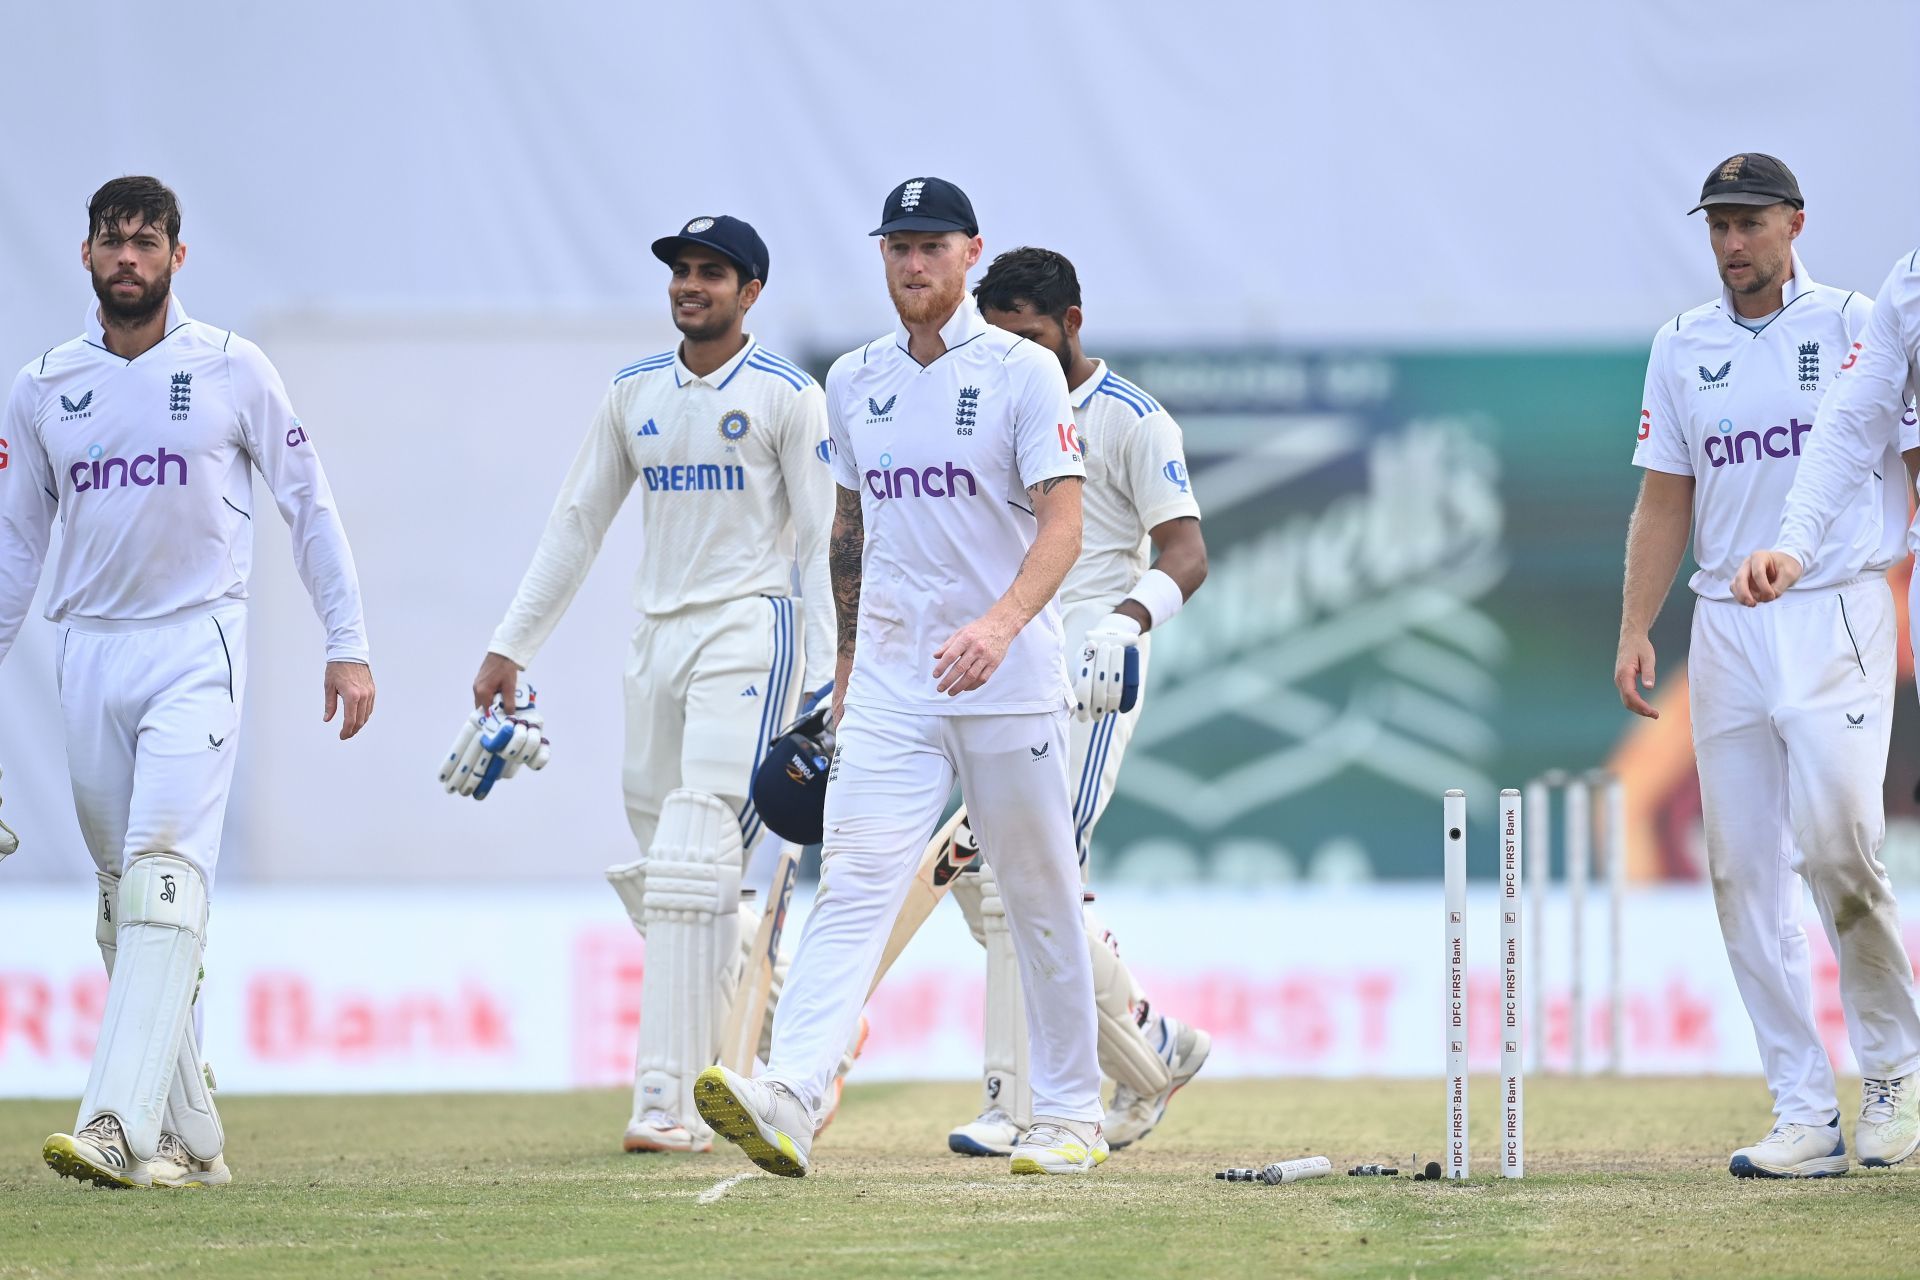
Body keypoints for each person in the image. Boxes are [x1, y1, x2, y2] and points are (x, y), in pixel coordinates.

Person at [694, 177, 1107, 1177]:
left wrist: (1002, 623)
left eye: (932, 246)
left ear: (971, 254)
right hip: (889, 682)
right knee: (855, 887)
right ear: (881, 256)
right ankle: (790, 1092)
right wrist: (843, 666)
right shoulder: (855, 377)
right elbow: (851, 528)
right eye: (897, 247)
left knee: (1039, 892)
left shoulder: (1021, 372)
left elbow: (1064, 523)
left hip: (1005, 678)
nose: (913, 263)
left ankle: (1069, 1115)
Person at [0, 176, 375, 1188]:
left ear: (177, 255)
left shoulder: (229, 368)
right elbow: (14, 545)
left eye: (148, 241)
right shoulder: (43, 384)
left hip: (195, 643)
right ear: (85, 256)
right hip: (90, 652)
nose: (130, 258)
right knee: (130, 902)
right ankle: (191, 1133)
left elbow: (309, 502)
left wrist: (349, 638)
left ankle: (116, 1123)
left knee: (165, 870)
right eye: (112, 242)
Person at [462, 214, 842, 1154]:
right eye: (681, 270)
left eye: (712, 273)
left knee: (691, 857)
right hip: (656, 638)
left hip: (752, 629)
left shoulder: (791, 397)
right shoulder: (632, 392)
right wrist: (514, 644)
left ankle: (667, 1104)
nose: (690, 285)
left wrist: (829, 681)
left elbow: (826, 543)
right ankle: (784, 1001)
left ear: (750, 292)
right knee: (669, 880)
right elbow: (576, 524)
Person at [1615, 153, 1920, 1177]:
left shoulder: (1858, 323)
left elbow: (1910, 469)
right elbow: (1666, 496)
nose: (1733, 244)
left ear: (1795, 221)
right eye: (1719, 227)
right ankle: (1803, 1108)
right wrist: (1635, 625)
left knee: (1840, 844)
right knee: (1742, 870)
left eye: (1750, 223)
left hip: (1836, 604)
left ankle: (1893, 1066)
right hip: (1726, 626)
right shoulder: (1680, 344)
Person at [941, 246, 1210, 1157]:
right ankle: (1151, 1047)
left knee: (1017, 874)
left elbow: (1187, 554)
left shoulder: (1134, 421)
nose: (1017, 351)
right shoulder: (983, 400)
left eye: (1033, 334)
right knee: (982, 881)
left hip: (1091, 671)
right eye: (1001, 333)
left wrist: (1127, 621)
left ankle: (1015, 1105)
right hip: (1002, 660)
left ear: (1073, 323)